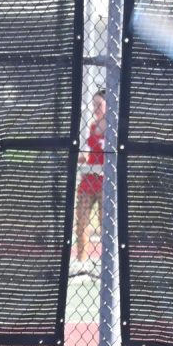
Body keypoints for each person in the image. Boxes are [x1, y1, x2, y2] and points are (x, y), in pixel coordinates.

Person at [72, 89, 106, 274]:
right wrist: (76, 158)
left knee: (104, 223)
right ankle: (82, 263)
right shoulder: (92, 127)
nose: (95, 108)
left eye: (99, 105)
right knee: (81, 220)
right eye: (94, 105)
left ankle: (106, 264)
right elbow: (88, 155)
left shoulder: (114, 130)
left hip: (104, 182)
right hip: (88, 181)